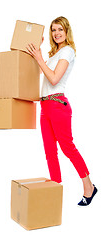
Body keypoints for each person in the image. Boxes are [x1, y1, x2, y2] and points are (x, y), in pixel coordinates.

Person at [27, 16, 97, 206]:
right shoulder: (53, 55)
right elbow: (40, 73)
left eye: (60, 29)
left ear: (67, 31)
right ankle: (55, 190)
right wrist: (39, 54)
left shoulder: (67, 51)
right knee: (50, 151)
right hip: (45, 106)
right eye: (53, 30)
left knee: (67, 148)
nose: (57, 33)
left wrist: (40, 58)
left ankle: (88, 186)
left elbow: (54, 79)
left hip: (58, 105)